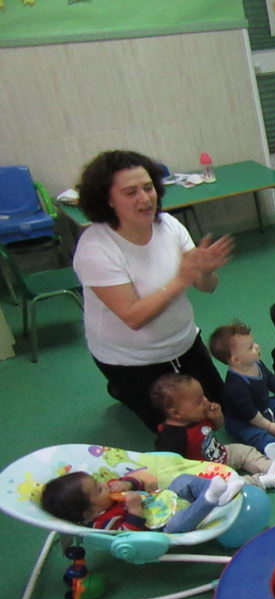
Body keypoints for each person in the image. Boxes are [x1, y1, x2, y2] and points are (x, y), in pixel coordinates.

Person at [72, 150, 234, 431]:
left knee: (219, 411)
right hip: (131, 361)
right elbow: (134, 317)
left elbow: (208, 287)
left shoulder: (168, 225)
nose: (145, 198)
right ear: (108, 200)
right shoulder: (95, 248)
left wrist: (204, 271)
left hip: (184, 344)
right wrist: (183, 277)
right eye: (130, 192)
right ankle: (121, 388)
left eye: (148, 188)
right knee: (183, 432)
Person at [150, 374, 275, 490]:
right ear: (176, 413)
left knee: (244, 451)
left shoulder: (196, 415)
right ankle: (263, 481)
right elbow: (170, 469)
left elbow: (216, 427)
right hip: (206, 474)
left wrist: (217, 417)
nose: (206, 402)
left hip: (221, 454)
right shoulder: (170, 437)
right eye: (199, 402)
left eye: (204, 396)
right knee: (229, 486)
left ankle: (269, 466)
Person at [41, 468, 242, 534]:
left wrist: (127, 484)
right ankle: (210, 498)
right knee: (176, 524)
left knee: (182, 481)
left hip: (165, 499)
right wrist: (134, 509)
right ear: (89, 513)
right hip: (161, 526)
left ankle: (217, 493)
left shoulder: (110, 490)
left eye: (99, 482)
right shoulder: (102, 522)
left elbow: (138, 483)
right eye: (99, 489)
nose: (105, 484)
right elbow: (128, 535)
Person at [208, 321, 275, 458]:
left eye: (254, 342)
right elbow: (250, 414)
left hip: (263, 406)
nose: (257, 346)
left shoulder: (256, 363)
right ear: (236, 360)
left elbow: (270, 378)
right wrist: (268, 426)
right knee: (254, 434)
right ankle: (274, 447)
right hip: (244, 420)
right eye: (251, 347)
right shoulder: (236, 386)